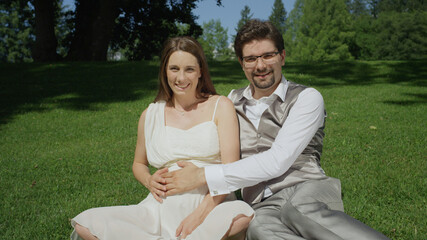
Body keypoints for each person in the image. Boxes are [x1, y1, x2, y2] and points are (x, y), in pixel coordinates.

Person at [162, 20, 390, 240]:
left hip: (306, 187)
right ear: (242, 64)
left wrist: (203, 175)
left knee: (298, 209)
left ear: (282, 56)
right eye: (251, 59)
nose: (260, 66)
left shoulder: (307, 98)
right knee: (259, 229)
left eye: (268, 55)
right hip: (261, 203)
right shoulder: (231, 100)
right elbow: (220, 148)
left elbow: (278, 160)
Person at [70, 36, 253, 240]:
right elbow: (139, 164)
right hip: (158, 210)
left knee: (242, 216)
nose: (181, 78)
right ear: (165, 71)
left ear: (201, 71)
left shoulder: (220, 106)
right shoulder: (150, 115)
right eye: (174, 68)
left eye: (189, 69)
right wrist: (149, 181)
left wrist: (200, 214)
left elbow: (232, 170)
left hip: (211, 205)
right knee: (86, 224)